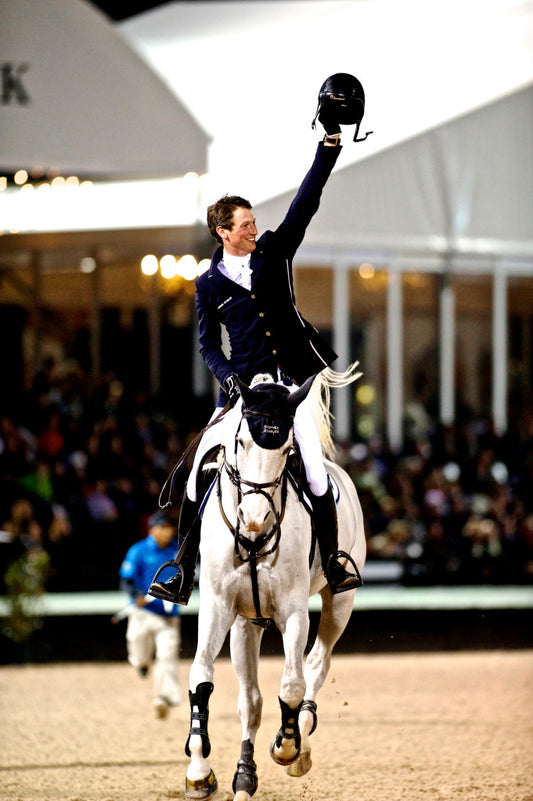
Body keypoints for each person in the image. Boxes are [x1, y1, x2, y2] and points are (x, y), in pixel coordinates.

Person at [149, 107, 363, 607]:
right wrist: (226, 379)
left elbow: (305, 203)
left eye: (252, 222)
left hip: (290, 387)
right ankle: (182, 567)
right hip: (243, 388)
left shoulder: (274, 252)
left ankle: (331, 558)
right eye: (244, 225)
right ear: (223, 232)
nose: (252, 229)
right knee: (198, 465)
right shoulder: (207, 283)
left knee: (312, 468)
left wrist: (328, 146)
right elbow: (206, 343)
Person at [118, 510, 181, 719]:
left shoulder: (177, 552)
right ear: (152, 529)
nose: (167, 531)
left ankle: (163, 698)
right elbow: (126, 579)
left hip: (168, 616)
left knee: (167, 655)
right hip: (143, 612)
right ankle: (141, 663)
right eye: (163, 527)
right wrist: (136, 595)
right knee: (137, 644)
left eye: (169, 527)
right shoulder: (139, 550)